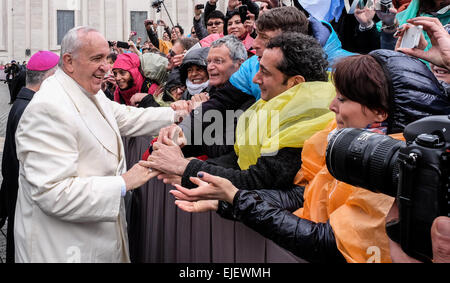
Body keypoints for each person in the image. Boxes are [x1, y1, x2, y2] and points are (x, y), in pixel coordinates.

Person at [170, 50, 450, 263]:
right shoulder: (346, 141)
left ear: (380, 112)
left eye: (343, 99)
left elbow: (327, 241)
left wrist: (236, 199)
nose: (331, 105)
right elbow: (303, 197)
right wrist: (227, 201)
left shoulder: (395, 171)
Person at [13, 26, 182, 263]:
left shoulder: (84, 88)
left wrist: (176, 115)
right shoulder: (47, 108)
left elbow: (122, 116)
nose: (107, 67)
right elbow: (53, 193)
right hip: (61, 248)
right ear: (69, 61)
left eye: (107, 58)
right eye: (97, 59)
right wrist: (124, 182)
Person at [143, 32, 336, 194]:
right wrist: (188, 165)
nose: (255, 79)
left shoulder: (312, 122)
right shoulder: (271, 105)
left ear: (295, 83)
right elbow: (238, 158)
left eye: (265, 73)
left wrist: (186, 168)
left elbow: (258, 181)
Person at [0, 51, 59, 263]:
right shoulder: (32, 108)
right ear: (49, 78)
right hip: (26, 194)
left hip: (15, 189)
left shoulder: (22, 101)